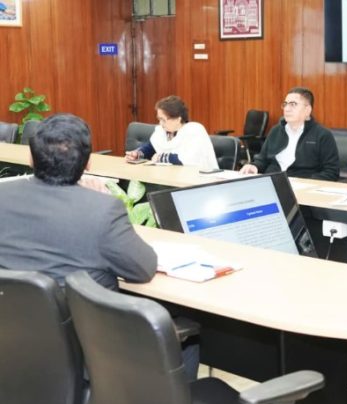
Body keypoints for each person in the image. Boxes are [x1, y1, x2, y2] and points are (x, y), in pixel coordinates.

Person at [0, 113, 157, 290]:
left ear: (30, 158)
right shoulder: (102, 209)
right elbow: (143, 269)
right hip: (83, 308)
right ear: (89, 162)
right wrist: (96, 201)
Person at [239, 87, 339, 180]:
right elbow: (262, 160)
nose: (286, 109)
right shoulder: (276, 131)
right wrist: (254, 166)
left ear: (307, 110)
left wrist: (304, 183)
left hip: (303, 185)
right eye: (285, 104)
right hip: (272, 182)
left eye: (293, 104)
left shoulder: (322, 135)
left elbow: (331, 172)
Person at [125, 95, 218, 170]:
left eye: (163, 120)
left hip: (199, 181)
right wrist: (138, 154)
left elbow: (188, 160)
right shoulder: (162, 131)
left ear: (178, 119)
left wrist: (161, 157)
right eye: (159, 119)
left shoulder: (194, 130)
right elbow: (151, 148)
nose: (160, 123)